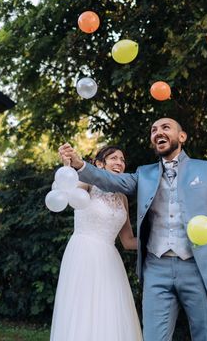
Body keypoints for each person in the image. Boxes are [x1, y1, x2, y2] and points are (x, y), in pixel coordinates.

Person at [59, 118, 207, 341]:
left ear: (181, 137)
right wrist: (79, 165)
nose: (158, 132)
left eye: (165, 128)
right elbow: (109, 181)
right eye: (153, 129)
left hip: (201, 270)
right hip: (156, 270)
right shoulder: (144, 174)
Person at [50, 146, 142, 341]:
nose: (119, 162)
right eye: (113, 158)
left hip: (110, 260)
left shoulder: (123, 198)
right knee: (84, 309)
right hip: (84, 253)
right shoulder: (87, 184)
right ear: (99, 164)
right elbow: (66, 194)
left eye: (122, 159)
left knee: (110, 311)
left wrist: (156, 240)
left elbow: (128, 241)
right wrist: (67, 167)